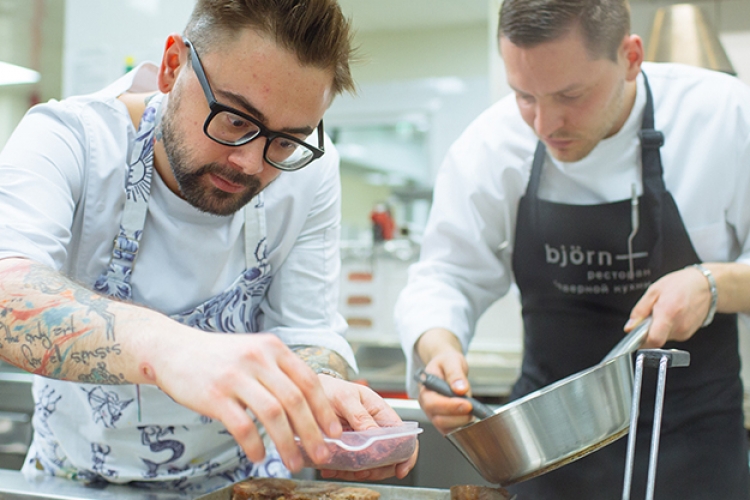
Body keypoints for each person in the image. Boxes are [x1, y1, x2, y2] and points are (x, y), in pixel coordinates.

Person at [0, 0, 416, 493]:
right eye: (236, 120)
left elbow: (307, 328)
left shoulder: (310, 173)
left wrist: (319, 384)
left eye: (285, 141)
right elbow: (8, 290)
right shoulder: (72, 139)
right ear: (172, 66)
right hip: (76, 483)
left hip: (246, 484)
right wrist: (168, 348)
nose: (250, 163)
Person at [395, 0, 750, 498]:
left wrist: (712, 284)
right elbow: (445, 276)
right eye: (525, 96)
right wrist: (439, 351)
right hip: (546, 455)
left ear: (630, 58)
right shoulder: (492, 145)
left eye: (570, 95)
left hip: (696, 453)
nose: (545, 124)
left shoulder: (724, 116)